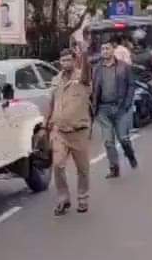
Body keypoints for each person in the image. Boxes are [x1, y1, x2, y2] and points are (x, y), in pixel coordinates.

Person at [45, 48, 94, 215]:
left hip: (79, 132)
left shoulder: (82, 78)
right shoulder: (55, 80)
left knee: (83, 169)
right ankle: (63, 198)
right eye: (63, 60)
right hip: (59, 131)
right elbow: (51, 103)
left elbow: (87, 73)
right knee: (58, 165)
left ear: (74, 61)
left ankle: (83, 198)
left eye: (68, 60)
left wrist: (85, 55)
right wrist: (47, 126)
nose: (65, 63)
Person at [93, 41, 138, 178]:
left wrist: (127, 103)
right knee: (108, 142)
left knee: (123, 138)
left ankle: (130, 155)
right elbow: (94, 88)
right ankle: (114, 167)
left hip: (120, 107)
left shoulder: (124, 67)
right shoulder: (97, 69)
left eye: (107, 48)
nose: (105, 51)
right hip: (103, 109)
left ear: (113, 50)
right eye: (102, 49)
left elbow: (131, 85)